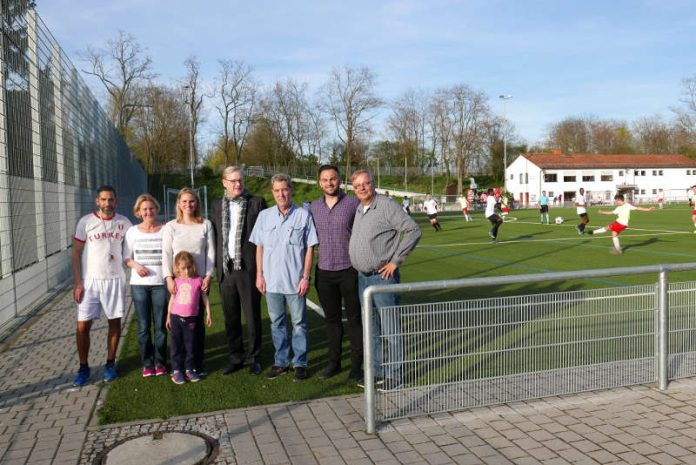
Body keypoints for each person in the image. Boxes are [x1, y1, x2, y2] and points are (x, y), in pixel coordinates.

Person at [349, 169, 421, 391]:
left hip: (382, 278)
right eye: (358, 185)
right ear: (354, 188)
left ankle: (395, 375)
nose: (362, 187)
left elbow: (412, 230)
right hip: (363, 278)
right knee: (372, 330)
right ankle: (377, 371)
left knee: (391, 329)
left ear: (373, 184)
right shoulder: (360, 208)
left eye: (366, 183)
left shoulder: (386, 205)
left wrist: (395, 261)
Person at [250, 173, 318, 382]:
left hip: (295, 282)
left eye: (285, 189)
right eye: (277, 190)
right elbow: (259, 248)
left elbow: (309, 248)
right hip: (271, 282)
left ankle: (300, 363)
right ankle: (281, 362)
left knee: (299, 323)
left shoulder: (304, 215)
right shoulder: (264, 216)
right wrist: (259, 275)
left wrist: (306, 276)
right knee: (276, 323)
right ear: (272, 193)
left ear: (291, 190)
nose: (281, 194)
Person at [71, 185, 132, 386]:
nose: (107, 203)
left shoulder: (124, 223)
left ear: (116, 201)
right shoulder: (86, 222)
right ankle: (83, 367)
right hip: (90, 282)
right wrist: (78, 283)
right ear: (97, 201)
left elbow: (136, 244)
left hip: (115, 280)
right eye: (103, 199)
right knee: (82, 326)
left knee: (114, 324)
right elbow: (76, 254)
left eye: (111, 199)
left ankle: (110, 364)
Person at [211, 166, 267, 376]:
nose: (238, 184)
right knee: (230, 316)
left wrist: (263, 269)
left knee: (252, 316)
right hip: (226, 269)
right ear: (224, 182)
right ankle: (235, 357)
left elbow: (264, 237)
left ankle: (254, 358)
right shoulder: (217, 204)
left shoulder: (256, 202)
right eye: (233, 180)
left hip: (248, 268)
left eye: (240, 180)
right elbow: (215, 235)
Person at [309, 165, 363, 381]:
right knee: (331, 321)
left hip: (349, 270)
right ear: (319, 183)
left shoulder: (353, 203)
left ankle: (357, 366)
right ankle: (334, 363)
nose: (329, 183)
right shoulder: (313, 207)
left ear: (339, 180)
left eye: (333, 179)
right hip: (324, 272)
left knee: (354, 320)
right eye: (325, 179)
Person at [162, 188, 215, 376]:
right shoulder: (171, 226)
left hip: (199, 284)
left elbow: (210, 253)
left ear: (197, 203)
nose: (188, 205)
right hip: (178, 284)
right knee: (178, 327)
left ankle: (195, 364)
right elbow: (166, 254)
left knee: (197, 326)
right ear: (178, 203)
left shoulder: (205, 224)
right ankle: (179, 366)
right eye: (184, 201)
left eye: (191, 201)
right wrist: (168, 278)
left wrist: (208, 276)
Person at [123, 194, 169, 378]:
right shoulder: (132, 231)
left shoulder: (166, 229)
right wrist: (136, 265)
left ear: (156, 209)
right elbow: (126, 257)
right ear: (138, 212)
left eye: (151, 208)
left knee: (160, 326)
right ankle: (147, 363)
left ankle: (160, 362)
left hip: (160, 284)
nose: (148, 212)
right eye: (144, 209)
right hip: (139, 285)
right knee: (143, 327)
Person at [166, 251, 212, 384]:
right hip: (176, 319)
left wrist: (208, 313)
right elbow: (172, 299)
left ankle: (189, 370)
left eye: (189, 267)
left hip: (191, 320)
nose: (186, 271)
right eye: (183, 268)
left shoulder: (198, 281)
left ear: (193, 266)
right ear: (177, 269)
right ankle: (176, 371)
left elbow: (205, 297)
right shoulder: (176, 282)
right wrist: (168, 317)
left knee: (190, 346)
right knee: (176, 346)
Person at [587, 193, 655, 254]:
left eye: (616, 201)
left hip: (620, 223)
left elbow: (637, 208)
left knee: (607, 228)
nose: (615, 202)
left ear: (619, 200)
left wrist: (602, 212)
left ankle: (593, 232)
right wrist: (648, 210)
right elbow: (611, 213)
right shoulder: (620, 207)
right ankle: (618, 249)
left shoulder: (626, 205)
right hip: (622, 224)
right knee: (614, 235)